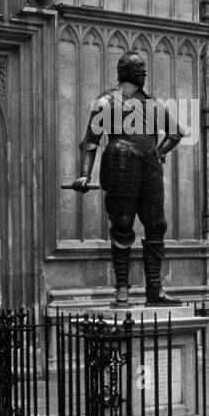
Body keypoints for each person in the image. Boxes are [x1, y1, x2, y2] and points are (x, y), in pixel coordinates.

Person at [71, 51, 187, 307]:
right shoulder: (106, 102)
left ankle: (154, 290)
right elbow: (90, 142)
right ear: (126, 71)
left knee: (157, 225)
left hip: (150, 166)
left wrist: (159, 152)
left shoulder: (152, 104)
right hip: (120, 162)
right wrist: (83, 174)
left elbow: (175, 133)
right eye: (139, 68)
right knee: (122, 225)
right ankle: (122, 289)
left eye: (144, 67)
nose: (144, 72)